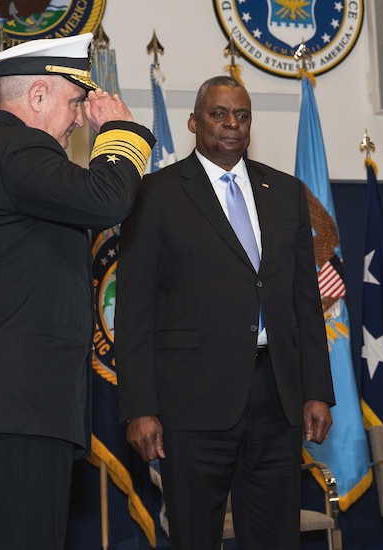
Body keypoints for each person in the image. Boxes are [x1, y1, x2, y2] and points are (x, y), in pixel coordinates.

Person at [0, 33, 155, 550]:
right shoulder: (17, 146)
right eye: (74, 102)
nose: (79, 119)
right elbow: (105, 198)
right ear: (37, 96)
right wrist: (121, 131)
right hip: (16, 407)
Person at [115, 75, 334, 550]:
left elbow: (304, 302)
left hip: (276, 397)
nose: (232, 125)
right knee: (195, 536)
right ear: (194, 122)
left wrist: (317, 389)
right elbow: (132, 310)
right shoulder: (154, 193)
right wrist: (139, 407)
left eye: (242, 115)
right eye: (219, 114)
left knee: (276, 537)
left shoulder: (287, 192)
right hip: (190, 400)